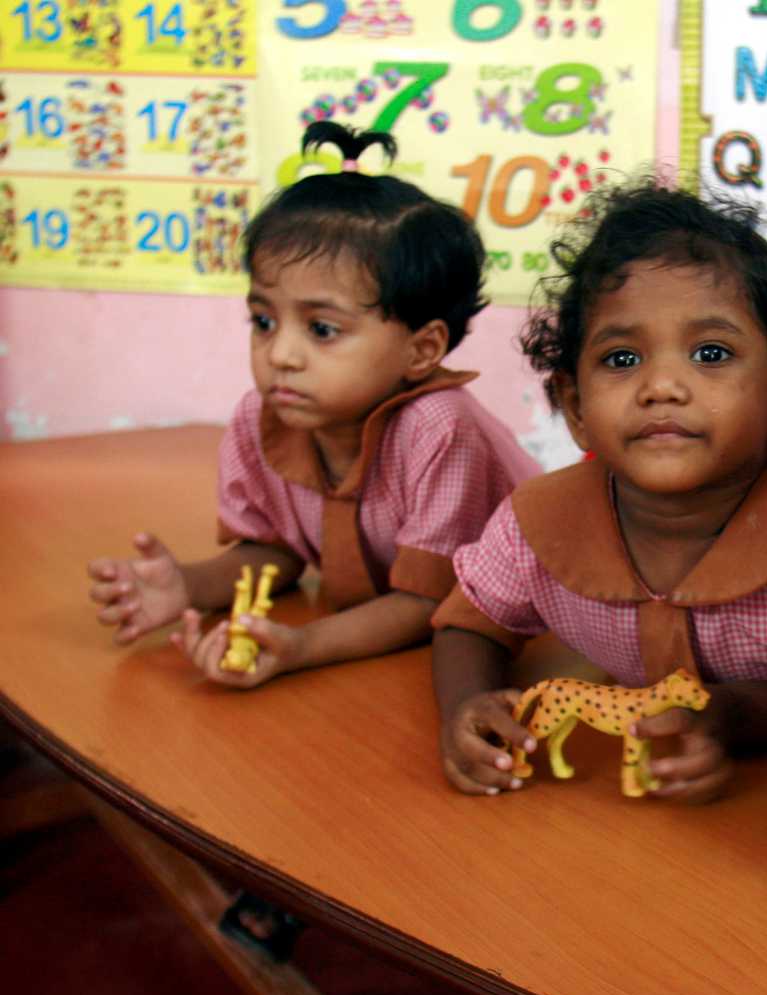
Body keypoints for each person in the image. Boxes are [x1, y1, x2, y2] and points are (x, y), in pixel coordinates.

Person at [431, 180, 767, 803]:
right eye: (622, 359)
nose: (662, 386)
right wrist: (467, 707)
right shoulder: (535, 523)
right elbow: (470, 622)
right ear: (575, 406)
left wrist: (729, 718)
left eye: (710, 352)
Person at [86, 121, 539, 688]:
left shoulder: (438, 429)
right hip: (380, 652)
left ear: (422, 350)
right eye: (264, 321)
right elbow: (275, 554)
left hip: (506, 644)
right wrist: (190, 585)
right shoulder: (263, 416)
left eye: (322, 329)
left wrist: (300, 647)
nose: (281, 354)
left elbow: (428, 602)